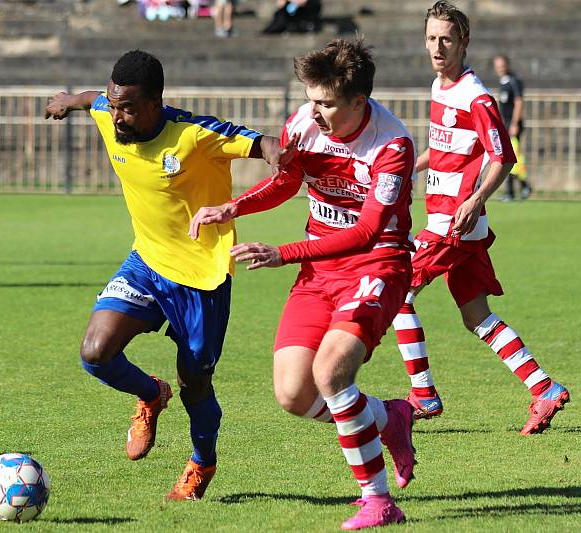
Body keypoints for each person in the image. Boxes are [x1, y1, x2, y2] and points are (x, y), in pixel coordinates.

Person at [190, 38, 417, 530]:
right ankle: (390, 417)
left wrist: (282, 253)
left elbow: (366, 232)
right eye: (310, 99)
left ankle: (378, 501)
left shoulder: (392, 145)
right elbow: (287, 181)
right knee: (294, 393)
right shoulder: (303, 124)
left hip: (377, 265)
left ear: (359, 103)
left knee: (332, 373)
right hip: (319, 273)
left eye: (325, 103)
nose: (312, 112)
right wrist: (233, 207)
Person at [44, 50, 290, 500]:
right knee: (95, 353)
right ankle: (151, 395)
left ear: (157, 103)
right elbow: (88, 100)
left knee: (195, 382)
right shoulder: (107, 111)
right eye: (115, 105)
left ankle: (201, 462)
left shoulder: (194, 135)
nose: (118, 116)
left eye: (129, 107)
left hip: (202, 278)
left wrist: (277, 151)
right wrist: (63, 100)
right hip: (147, 263)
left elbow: (257, 142)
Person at [390, 2, 569, 433]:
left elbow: (502, 156)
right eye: (432, 38)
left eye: (446, 39)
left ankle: (424, 394)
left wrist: (474, 200)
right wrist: (404, 170)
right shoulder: (439, 86)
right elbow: (445, 147)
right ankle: (543, 388)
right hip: (453, 222)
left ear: (463, 42)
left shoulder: (477, 96)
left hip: (453, 223)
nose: (437, 46)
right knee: (477, 317)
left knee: (397, 293)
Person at [494, 54, 532, 201]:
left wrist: (515, 124)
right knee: (512, 157)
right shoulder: (503, 81)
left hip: (513, 126)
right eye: (497, 66)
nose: (500, 69)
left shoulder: (514, 81)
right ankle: (523, 187)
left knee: (512, 158)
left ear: (507, 65)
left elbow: (519, 102)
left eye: (502, 65)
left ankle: (512, 190)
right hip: (506, 126)